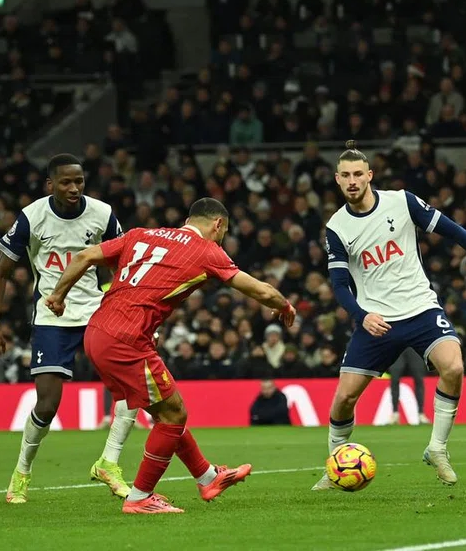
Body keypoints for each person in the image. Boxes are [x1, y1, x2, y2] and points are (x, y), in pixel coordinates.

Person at [44, 197, 296, 514]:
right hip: (127, 339)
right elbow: (260, 290)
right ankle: (140, 497)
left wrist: (58, 295)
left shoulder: (140, 234)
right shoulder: (206, 250)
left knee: (168, 412)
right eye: (224, 232)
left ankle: (208, 477)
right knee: (174, 415)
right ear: (218, 224)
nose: (222, 238)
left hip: (97, 332)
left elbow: (84, 256)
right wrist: (284, 305)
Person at [314, 141, 466, 489]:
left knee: (453, 366)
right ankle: (335, 466)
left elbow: (454, 231)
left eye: (358, 174)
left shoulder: (402, 202)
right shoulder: (337, 227)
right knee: (344, 398)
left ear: (370, 175)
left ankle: (437, 448)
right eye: (345, 175)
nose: (352, 181)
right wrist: (362, 316)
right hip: (376, 321)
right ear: (337, 179)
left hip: (420, 309)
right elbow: (340, 285)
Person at [0, 154, 137, 504]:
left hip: (96, 312)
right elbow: (0, 273)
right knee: (48, 404)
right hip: (52, 316)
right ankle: (21, 472)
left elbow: (122, 264)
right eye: (65, 182)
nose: (74, 188)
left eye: (79, 181)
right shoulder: (32, 216)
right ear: (50, 184)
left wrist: (128, 308)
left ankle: (109, 463)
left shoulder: (102, 213)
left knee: (132, 387)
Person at [384, 347, 430, 425]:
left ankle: (421, 414)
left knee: (419, 379)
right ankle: (395, 414)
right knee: (394, 379)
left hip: (414, 347)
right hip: (398, 347)